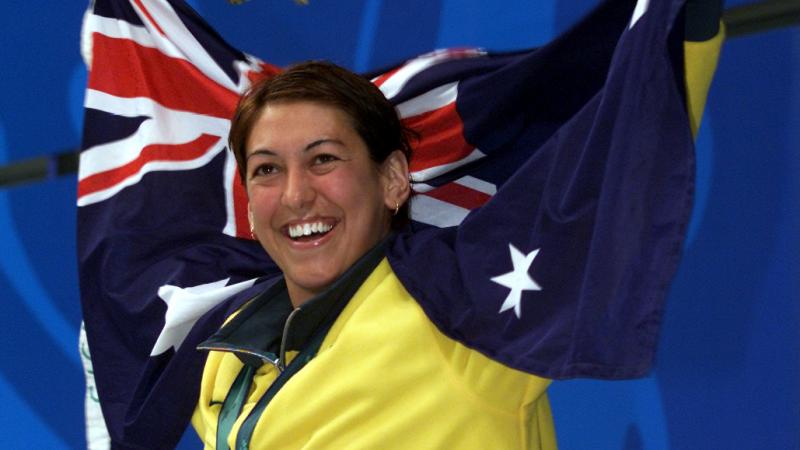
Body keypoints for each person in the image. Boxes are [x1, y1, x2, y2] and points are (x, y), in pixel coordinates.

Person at [188, 1, 725, 449]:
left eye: (324, 159)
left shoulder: (460, 312)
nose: (297, 194)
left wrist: (681, 18)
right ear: (250, 208)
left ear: (394, 180)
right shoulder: (223, 359)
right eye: (267, 170)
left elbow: (624, 157)